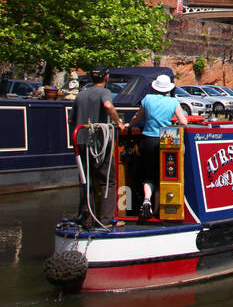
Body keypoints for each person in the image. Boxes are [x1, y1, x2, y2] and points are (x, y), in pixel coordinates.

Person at [74, 68, 128, 225]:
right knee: (107, 181)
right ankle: (106, 220)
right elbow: (108, 105)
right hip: (98, 144)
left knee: (86, 180)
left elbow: (72, 120)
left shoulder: (81, 94)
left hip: (81, 143)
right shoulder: (104, 92)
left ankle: (87, 219)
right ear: (106, 77)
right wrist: (118, 123)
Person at [131, 74, 187, 221]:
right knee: (163, 174)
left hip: (148, 139)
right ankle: (156, 211)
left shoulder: (147, 99)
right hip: (166, 139)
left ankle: (146, 200)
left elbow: (137, 117)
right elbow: (184, 122)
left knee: (148, 174)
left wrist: (128, 126)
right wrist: (173, 125)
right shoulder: (173, 101)